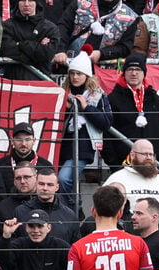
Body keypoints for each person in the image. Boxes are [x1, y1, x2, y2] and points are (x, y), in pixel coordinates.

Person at [59, 50, 112, 214]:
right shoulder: (62, 92)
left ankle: (75, 209)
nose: (75, 77)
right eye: (72, 73)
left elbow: (107, 122)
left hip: (84, 147)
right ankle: (74, 209)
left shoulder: (97, 95)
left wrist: (86, 108)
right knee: (65, 180)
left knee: (63, 178)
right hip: (62, 146)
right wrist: (65, 110)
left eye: (79, 74)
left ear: (87, 75)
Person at [103, 53, 159, 168]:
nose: (134, 73)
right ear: (124, 73)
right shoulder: (113, 99)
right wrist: (114, 164)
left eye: (138, 69)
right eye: (130, 69)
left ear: (144, 74)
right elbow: (106, 133)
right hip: (124, 166)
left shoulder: (154, 99)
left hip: (153, 165)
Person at [53, 0, 140, 68]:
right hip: (69, 65)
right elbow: (63, 27)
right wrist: (60, 50)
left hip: (104, 71)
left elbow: (125, 47)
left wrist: (101, 54)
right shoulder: (79, 4)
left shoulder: (131, 18)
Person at [12, 169, 80, 244]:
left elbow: (75, 248)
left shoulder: (69, 215)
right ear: (36, 185)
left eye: (50, 185)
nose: (45, 188)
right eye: (41, 184)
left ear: (57, 187)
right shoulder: (21, 211)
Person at [0, 0, 58, 80]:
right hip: (13, 82)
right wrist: (36, 52)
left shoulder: (50, 28)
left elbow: (47, 54)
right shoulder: (7, 26)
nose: (26, 4)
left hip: (41, 83)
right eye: (23, 0)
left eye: (30, 0)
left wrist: (20, 44)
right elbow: (6, 50)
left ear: (36, 3)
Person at [102, 139, 159, 208]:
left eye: (151, 154)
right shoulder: (116, 179)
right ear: (132, 155)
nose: (149, 158)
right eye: (145, 154)